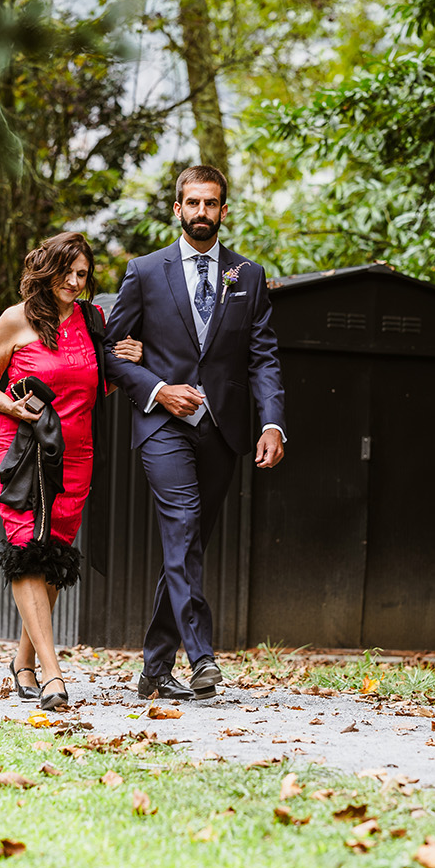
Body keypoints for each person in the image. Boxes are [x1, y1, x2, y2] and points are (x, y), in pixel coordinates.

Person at [105, 166, 286, 700]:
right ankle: (202, 657)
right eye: (192, 203)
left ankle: (155, 669)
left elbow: (263, 357)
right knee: (183, 529)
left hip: (223, 430)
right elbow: (110, 353)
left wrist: (272, 421)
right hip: (163, 426)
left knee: (188, 543)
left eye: (211, 203)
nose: (201, 212)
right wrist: (159, 389)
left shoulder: (247, 275)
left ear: (223, 210)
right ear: (177, 208)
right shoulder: (144, 271)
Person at [0, 232, 141, 711]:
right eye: (66, 272)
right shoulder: (16, 319)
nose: (74, 281)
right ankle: (52, 674)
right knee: (27, 548)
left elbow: (92, 387)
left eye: (82, 274)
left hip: (76, 454)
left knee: (54, 556)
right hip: (21, 452)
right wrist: (13, 407)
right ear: (47, 271)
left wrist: (123, 364)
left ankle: (23, 662)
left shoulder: (93, 320)